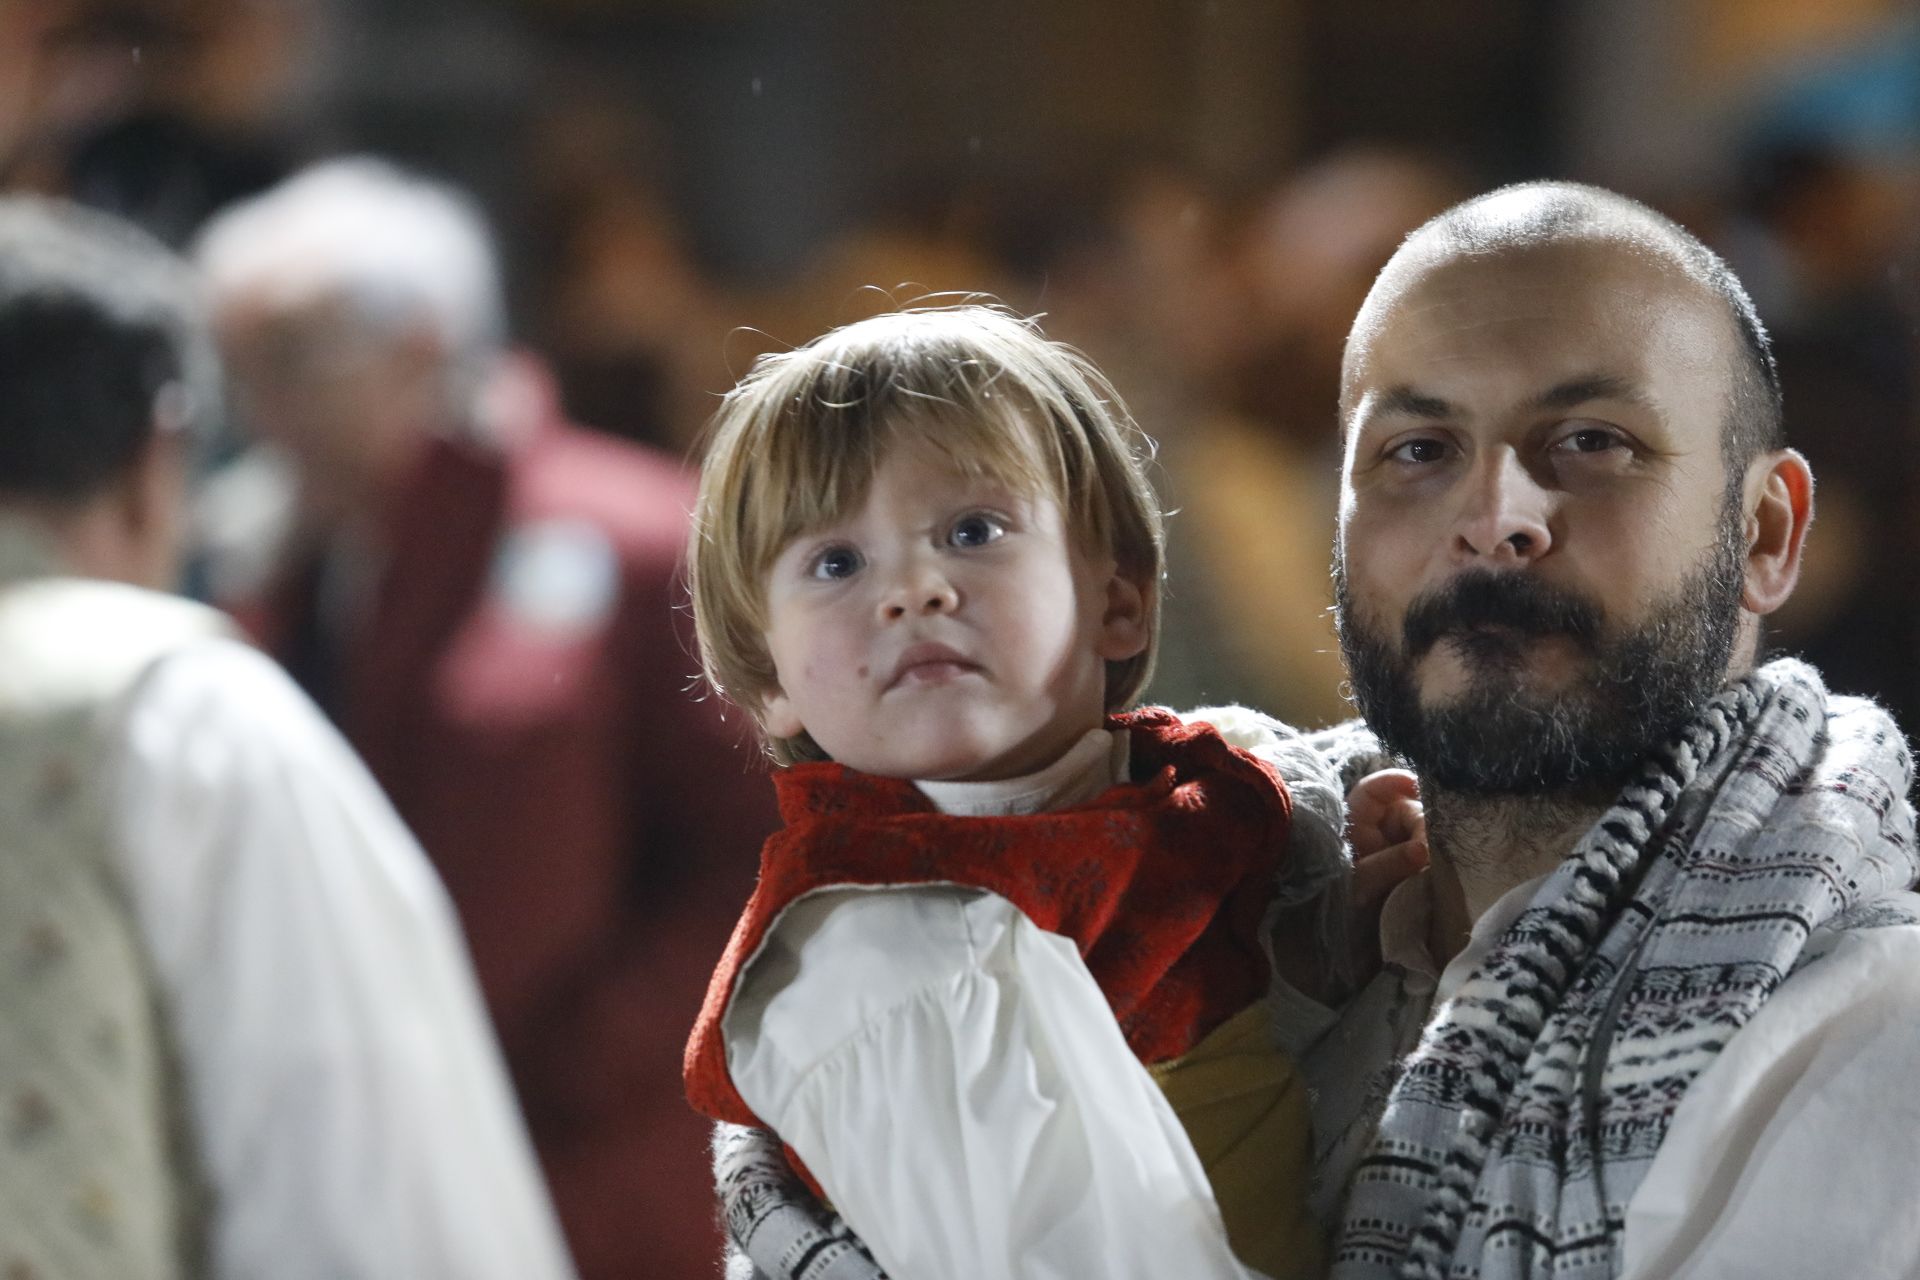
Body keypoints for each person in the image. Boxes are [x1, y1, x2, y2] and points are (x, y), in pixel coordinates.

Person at [702, 182, 1920, 1280]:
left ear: (1764, 532)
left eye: (1590, 442)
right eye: (1418, 450)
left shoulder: (1866, 1038)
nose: (1496, 517)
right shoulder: (1254, 870)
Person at [680, 304, 1429, 1280]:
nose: (914, 590)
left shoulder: (1196, 794)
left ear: (1116, 600)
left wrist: (1337, 916)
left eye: (973, 529)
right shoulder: (860, 954)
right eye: (836, 562)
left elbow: (1248, 1043)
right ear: (767, 676)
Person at [191, 157, 778, 1279]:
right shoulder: (273, 569)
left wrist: (588, 1052)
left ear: (417, 344)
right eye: (238, 370)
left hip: (597, 1175)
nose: (262, 407)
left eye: (292, 361)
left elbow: (757, 840)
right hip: (350, 1169)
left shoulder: (638, 538)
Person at [0, 199, 575, 1276]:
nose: (275, 414)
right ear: (152, 465)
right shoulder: (177, 710)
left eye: (297, 360)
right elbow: (374, 1217)